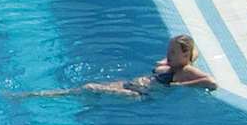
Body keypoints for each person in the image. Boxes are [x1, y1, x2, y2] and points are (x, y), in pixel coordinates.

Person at [12, 33, 216, 98]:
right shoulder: (177, 63)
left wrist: (180, 85)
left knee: (89, 87)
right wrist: (172, 60)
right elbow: (192, 53)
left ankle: (34, 95)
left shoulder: (186, 71)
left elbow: (211, 82)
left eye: (172, 53)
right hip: (133, 84)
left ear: (185, 54)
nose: (167, 56)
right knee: (92, 88)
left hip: (139, 95)